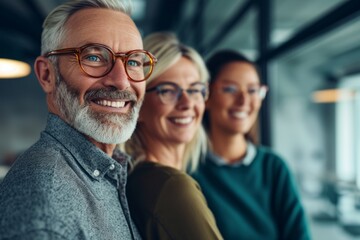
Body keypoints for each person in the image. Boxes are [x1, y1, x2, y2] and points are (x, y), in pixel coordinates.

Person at [0, 0, 157, 239]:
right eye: (94, 57)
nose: (121, 81)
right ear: (47, 74)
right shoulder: (46, 209)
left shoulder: (107, 171)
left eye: (133, 61)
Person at [191, 50, 311, 240]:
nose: (244, 100)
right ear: (206, 95)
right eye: (230, 89)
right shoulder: (189, 169)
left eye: (253, 90)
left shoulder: (273, 167)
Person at [122, 32, 223, 240]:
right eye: (167, 90)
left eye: (195, 90)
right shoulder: (172, 187)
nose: (187, 103)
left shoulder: (140, 179)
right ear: (137, 104)